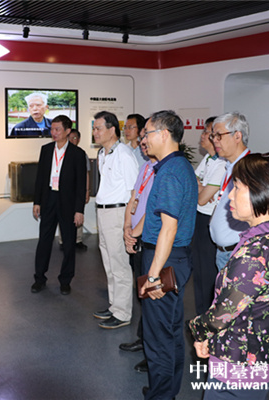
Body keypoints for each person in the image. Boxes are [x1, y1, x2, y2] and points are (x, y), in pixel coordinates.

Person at [189, 152, 269, 400]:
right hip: (261, 354)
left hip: (238, 366)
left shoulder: (256, 253)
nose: (230, 195)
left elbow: (223, 313)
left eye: (237, 187)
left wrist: (198, 331)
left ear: (261, 192)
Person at [139, 110, 198, 399]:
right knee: (170, 331)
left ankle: (161, 395)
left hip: (164, 260)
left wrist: (152, 276)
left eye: (147, 133)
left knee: (158, 337)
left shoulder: (171, 172)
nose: (144, 139)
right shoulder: (177, 166)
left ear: (164, 134)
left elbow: (169, 228)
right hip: (173, 258)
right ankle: (165, 390)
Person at [91, 110, 139, 329]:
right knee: (109, 262)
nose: (95, 132)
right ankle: (114, 305)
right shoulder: (103, 154)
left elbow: (134, 193)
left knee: (119, 263)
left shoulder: (124, 155)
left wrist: (129, 223)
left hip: (118, 213)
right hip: (103, 212)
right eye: (94, 128)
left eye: (98, 128)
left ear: (112, 130)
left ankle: (122, 313)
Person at [31, 115, 87, 295]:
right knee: (44, 241)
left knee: (69, 244)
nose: (53, 132)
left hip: (68, 203)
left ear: (67, 131)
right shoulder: (46, 150)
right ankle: (39, 278)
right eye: (52, 129)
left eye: (57, 129)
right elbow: (40, 178)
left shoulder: (77, 154)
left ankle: (65, 280)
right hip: (49, 200)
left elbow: (80, 185)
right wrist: (37, 201)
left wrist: (79, 210)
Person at [119, 125, 157, 373]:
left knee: (152, 296)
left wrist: (134, 233)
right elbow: (134, 198)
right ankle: (143, 339)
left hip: (149, 239)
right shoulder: (144, 167)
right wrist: (126, 226)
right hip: (136, 236)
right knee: (142, 292)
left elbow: (154, 209)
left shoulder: (164, 170)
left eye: (147, 137)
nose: (143, 142)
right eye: (142, 139)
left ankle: (152, 351)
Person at [191, 116, 226, 315]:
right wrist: (202, 188)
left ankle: (209, 317)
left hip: (209, 220)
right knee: (199, 271)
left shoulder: (222, 164)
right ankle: (200, 316)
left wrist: (202, 189)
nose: (202, 136)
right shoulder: (208, 159)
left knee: (208, 272)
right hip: (199, 217)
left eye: (206, 132)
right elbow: (192, 181)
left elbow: (203, 199)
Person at [209, 112, 251, 272]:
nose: (214, 140)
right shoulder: (229, 167)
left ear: (237, 136)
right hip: (224, 252)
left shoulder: (249, 170)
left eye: (219, 135)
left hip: (237, 252)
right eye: (213, 136)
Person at [58, 129, 90, 250]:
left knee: (78, 213)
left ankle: (78, 240)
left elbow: (86, 174)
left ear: (79, 140)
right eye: (70, 137)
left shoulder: (81, 154)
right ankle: (63, 240)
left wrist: (87, 191)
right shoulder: (60, 153)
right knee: (62, 215)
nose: (72, 140)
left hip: (77, 192)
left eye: (74, 138)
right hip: (63, 192)